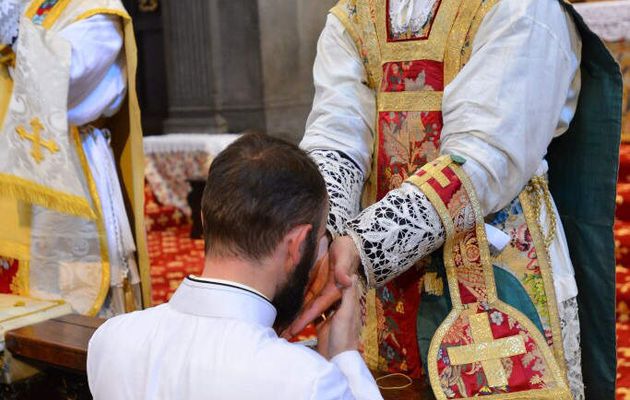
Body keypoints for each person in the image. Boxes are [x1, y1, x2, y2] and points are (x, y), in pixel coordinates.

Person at [295, 0, 622, 399]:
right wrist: (324, 236)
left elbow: (486, 158)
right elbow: (336, 139)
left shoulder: (522, 7)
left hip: (494, 261)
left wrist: (363, 245)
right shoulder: (357, 14)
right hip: (372, 285)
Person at [87, 133, 384, 400]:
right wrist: (344, 355)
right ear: (295, 245)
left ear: (205, 222)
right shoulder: (306, 381)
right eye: (320, 239)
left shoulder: (111, 339)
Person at [0, 0, 149, 316]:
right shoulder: (20, 5)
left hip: (66, 169)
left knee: (61, 302)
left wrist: (15, 37)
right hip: (8, 170)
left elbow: (69, 80)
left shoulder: (95, 10)